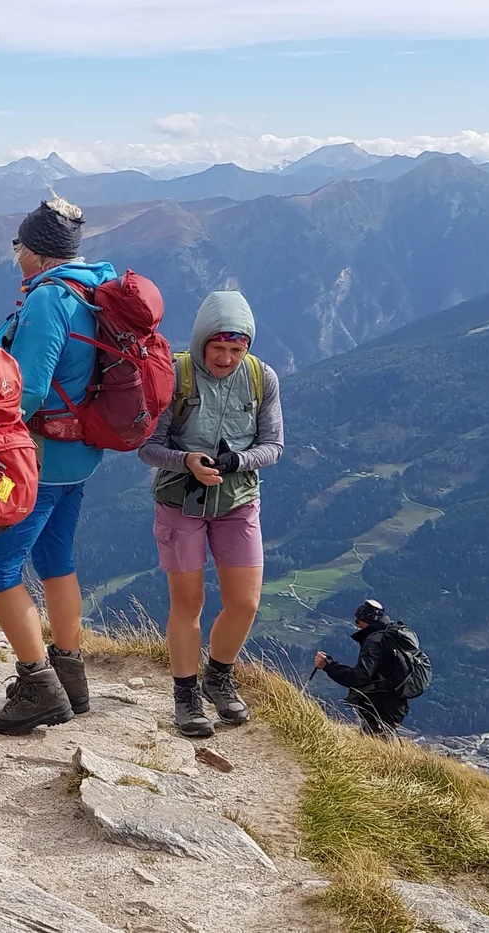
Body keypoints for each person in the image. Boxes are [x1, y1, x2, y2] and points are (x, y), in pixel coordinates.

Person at [0, 195, 113, 732]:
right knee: (57, 559)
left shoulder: (49, 300)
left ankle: (38, 685)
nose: (16, 256)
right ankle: (70, 675)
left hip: (41, 458)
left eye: (19, 246)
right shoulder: (92, 287)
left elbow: (26, 391)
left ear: (36, 252)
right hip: (80, 455)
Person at [138, 291, 284, 737]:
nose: (226, 358)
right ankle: (186, 696)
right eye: (217, 349)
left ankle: (218, 677)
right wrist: (188, 462)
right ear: (201, 342)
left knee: (245, 602)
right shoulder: (175, 376)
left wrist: (237, 461)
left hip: (238, 499)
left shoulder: (262, 378)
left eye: (236, 350)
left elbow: (273, 446)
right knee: (189, 603)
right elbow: (146, 446)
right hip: (180, 500)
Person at [315, 599, 420, 737]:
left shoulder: (375, 641)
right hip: (397, 702)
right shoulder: (393, 634)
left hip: (380, 705)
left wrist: (328, 666)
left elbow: (359, 677)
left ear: (366, 621)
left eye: (358, 622)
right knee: (381, 740)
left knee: (377, 744)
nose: (357, 626)